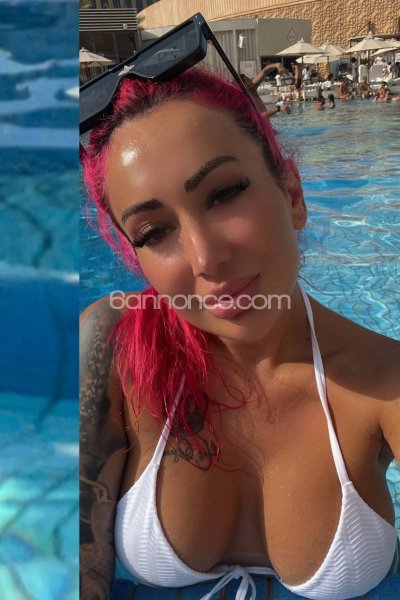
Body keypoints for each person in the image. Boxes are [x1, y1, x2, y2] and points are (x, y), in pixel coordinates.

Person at [80, 64, 400, 600]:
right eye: (154, 232)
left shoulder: (384, 382)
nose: (206, 258)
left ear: (292, 194)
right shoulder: (114, 346)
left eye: (224, 194)